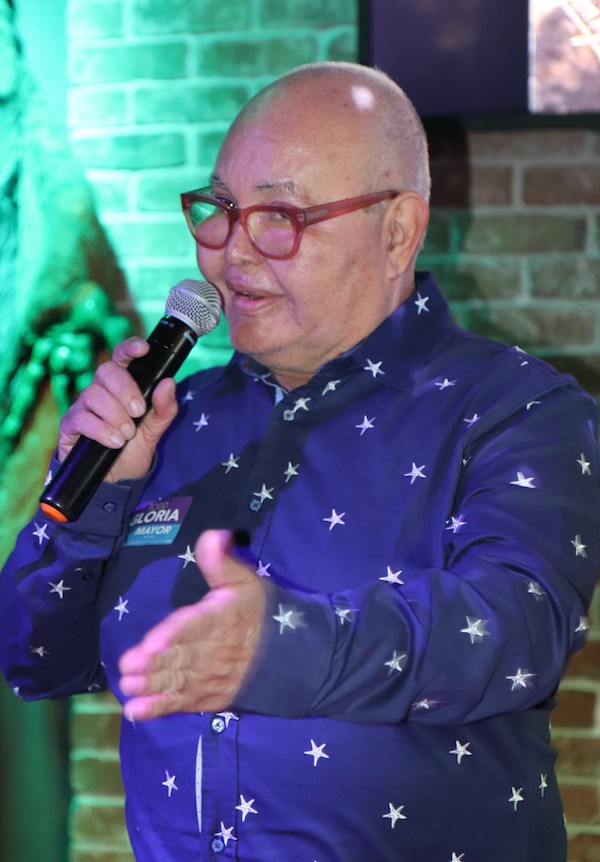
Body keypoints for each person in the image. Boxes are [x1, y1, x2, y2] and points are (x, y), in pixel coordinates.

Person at [1, 62, 599, 862]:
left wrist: (283, 645)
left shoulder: (517, 410)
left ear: (398, 230)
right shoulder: (171, 419)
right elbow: (33, 659)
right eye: (220, 211)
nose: (231, 256)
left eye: (279, 216)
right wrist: (96, 497)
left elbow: (515, 634)